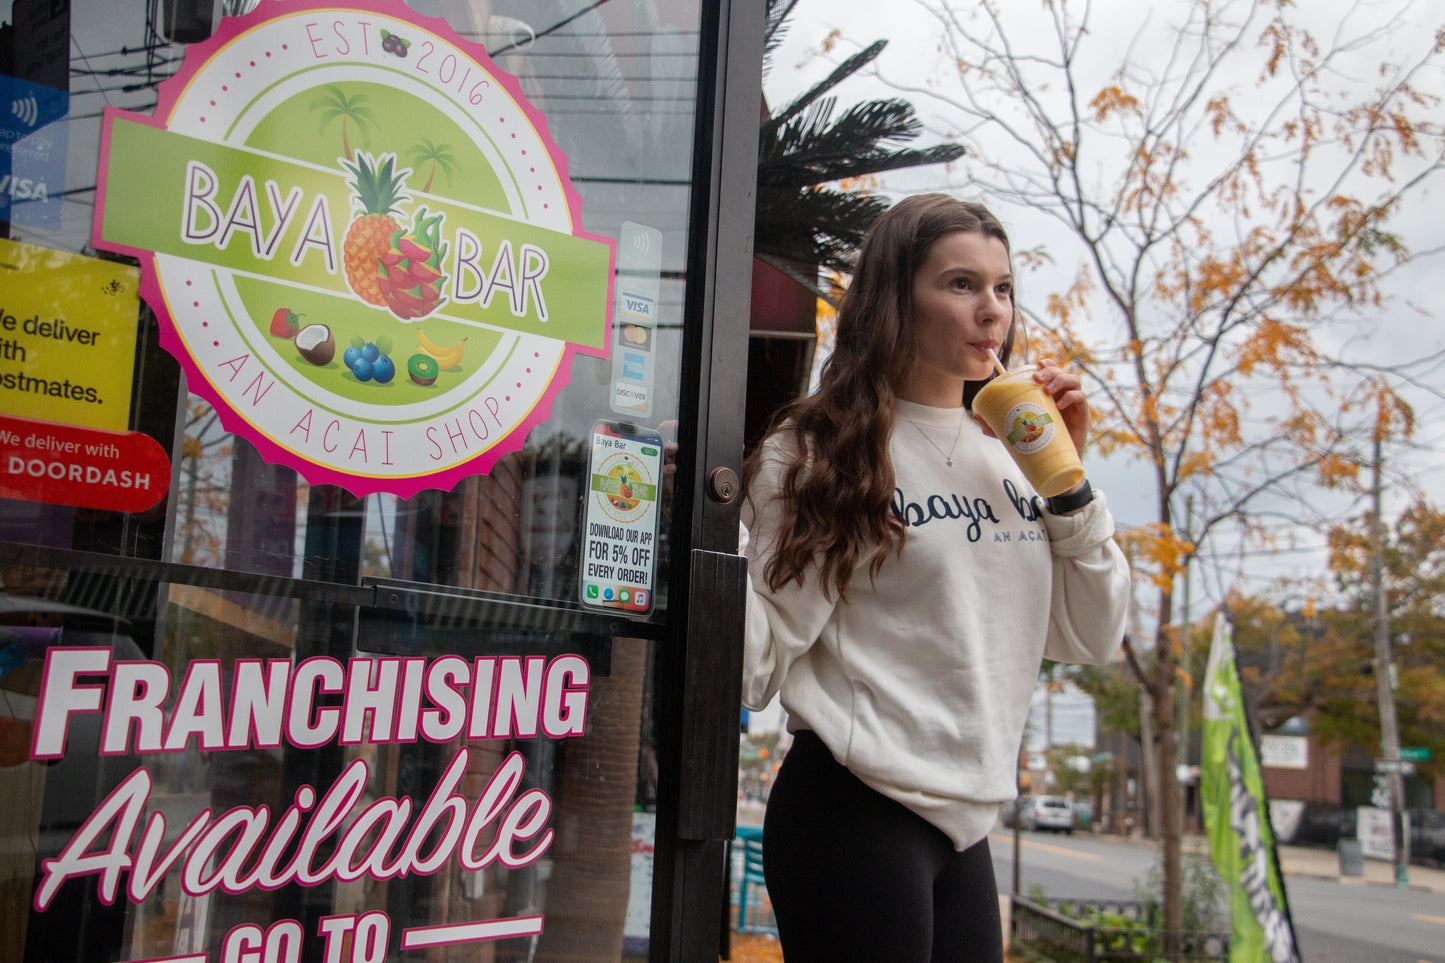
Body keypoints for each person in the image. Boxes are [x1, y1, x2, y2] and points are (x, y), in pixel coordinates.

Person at [739, 193, 1131, 962]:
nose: (991, 311)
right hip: (855, 803)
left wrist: (1066, 478)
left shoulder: (1014, 451)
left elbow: (1092, 633)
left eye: (1002, 288)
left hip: (967, 822)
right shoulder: (825, 448)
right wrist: (707, 524)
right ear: (895, 299)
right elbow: (757, 660)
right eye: (960, 284)